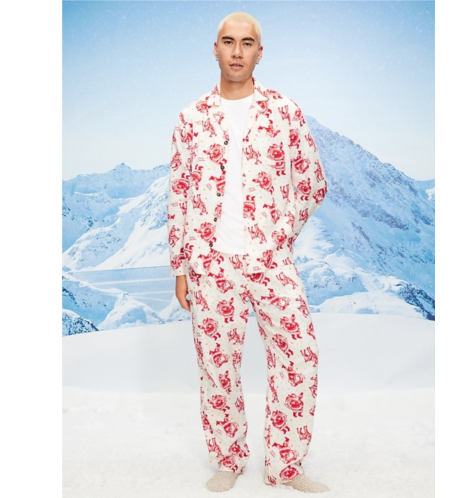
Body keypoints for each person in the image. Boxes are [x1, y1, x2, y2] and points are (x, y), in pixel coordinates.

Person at [167, 11, 329, 493]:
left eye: (247, 43)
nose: (237, 51)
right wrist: (181, 266)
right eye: (228, 41)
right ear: (214, 48)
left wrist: (279, 232)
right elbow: (179, 195)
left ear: (260, 52)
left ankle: (286, 465)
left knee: (299, 356)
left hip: (271, 260)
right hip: (210, 263)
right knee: (217, 366)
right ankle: (228, 459)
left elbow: (313, 182)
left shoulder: (284, 112)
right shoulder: (191, 118)